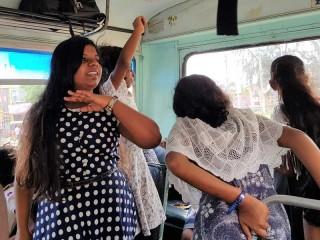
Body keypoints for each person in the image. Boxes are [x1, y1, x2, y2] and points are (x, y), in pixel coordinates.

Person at [14, 33, 161, 239]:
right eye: (85, 60)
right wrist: (22, 229)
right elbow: (24, 178)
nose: (95, 65)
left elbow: (152, 138)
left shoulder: (108, 107)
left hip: (111, 206)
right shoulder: (42, 115)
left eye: (97, 60)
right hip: (61, 212)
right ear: (66, 66)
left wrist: (109, 102)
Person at [165, 74, 320, 240]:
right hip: (268, 217)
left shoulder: (186, 127)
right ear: (216, 94)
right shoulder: (247, 121)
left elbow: (175, 163)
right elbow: (298, 138)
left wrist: (241, 200)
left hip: (220, 223)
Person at [99, 16, 166, 238]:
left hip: (139, 165)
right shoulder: (109, 93)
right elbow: (123, 62)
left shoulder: (125, 94)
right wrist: (138, 30)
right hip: (126, 168)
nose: (131, 74)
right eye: (128, 71)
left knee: (148, 223)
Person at [269, 55, 320, 240]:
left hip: (310, 194)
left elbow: (288, 169)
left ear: (272, 83)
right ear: (306, 77)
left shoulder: (280, 113)